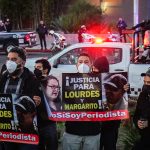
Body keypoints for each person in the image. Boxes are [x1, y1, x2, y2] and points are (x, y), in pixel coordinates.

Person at [0, 47, 42, 150]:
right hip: (6, 131)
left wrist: (38, 102)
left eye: (14, 59)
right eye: (8, 59)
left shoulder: (32, 79)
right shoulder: (3, 78)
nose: (10, 62)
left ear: (23, 62)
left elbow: (37, 105)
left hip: (26, 133)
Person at [62, 53, 101, 150]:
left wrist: (123, 89)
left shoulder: (100, 81)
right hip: (72, 130)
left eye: (86, 62)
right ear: (76, 65)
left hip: (93, 131)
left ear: (91, 65)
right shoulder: (67, 81)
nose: (83, 64)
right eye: (80, 62)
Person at [92, 57, 128, 150]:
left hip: (111, 125)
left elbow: (122, 103)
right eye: (93, 68)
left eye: (95, 68)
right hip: (97, 125)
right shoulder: (91, 81)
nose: (93, 70)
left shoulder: (117, 82)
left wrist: (124, 91)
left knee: (110, 146)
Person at [34, 58, 58, 150]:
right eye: (35, 67)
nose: (36, 70)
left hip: (49, 124)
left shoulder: (52, 82)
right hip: (36, 124)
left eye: (38, 67)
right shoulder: (33, 82)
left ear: (45, 70)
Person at [133, 68, 150, 150]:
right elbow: (136, 115)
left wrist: (148, 123)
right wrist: (137, 122)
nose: (146, 85)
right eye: (144, 82)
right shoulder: (142, 96)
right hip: (144, 138)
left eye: (149, 82)